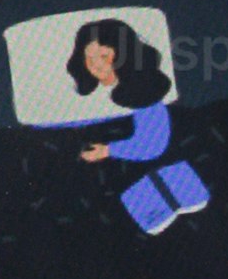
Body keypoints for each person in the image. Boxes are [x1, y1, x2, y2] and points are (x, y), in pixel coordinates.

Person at [63, 16, 208, 233]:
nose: (97, 64)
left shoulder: (143, 93)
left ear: (124, 54)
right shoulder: (85, 99)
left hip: (164, 191)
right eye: (89, 57)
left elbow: (152, 144)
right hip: (118, 194)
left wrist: (108, 150)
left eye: (105, 55)